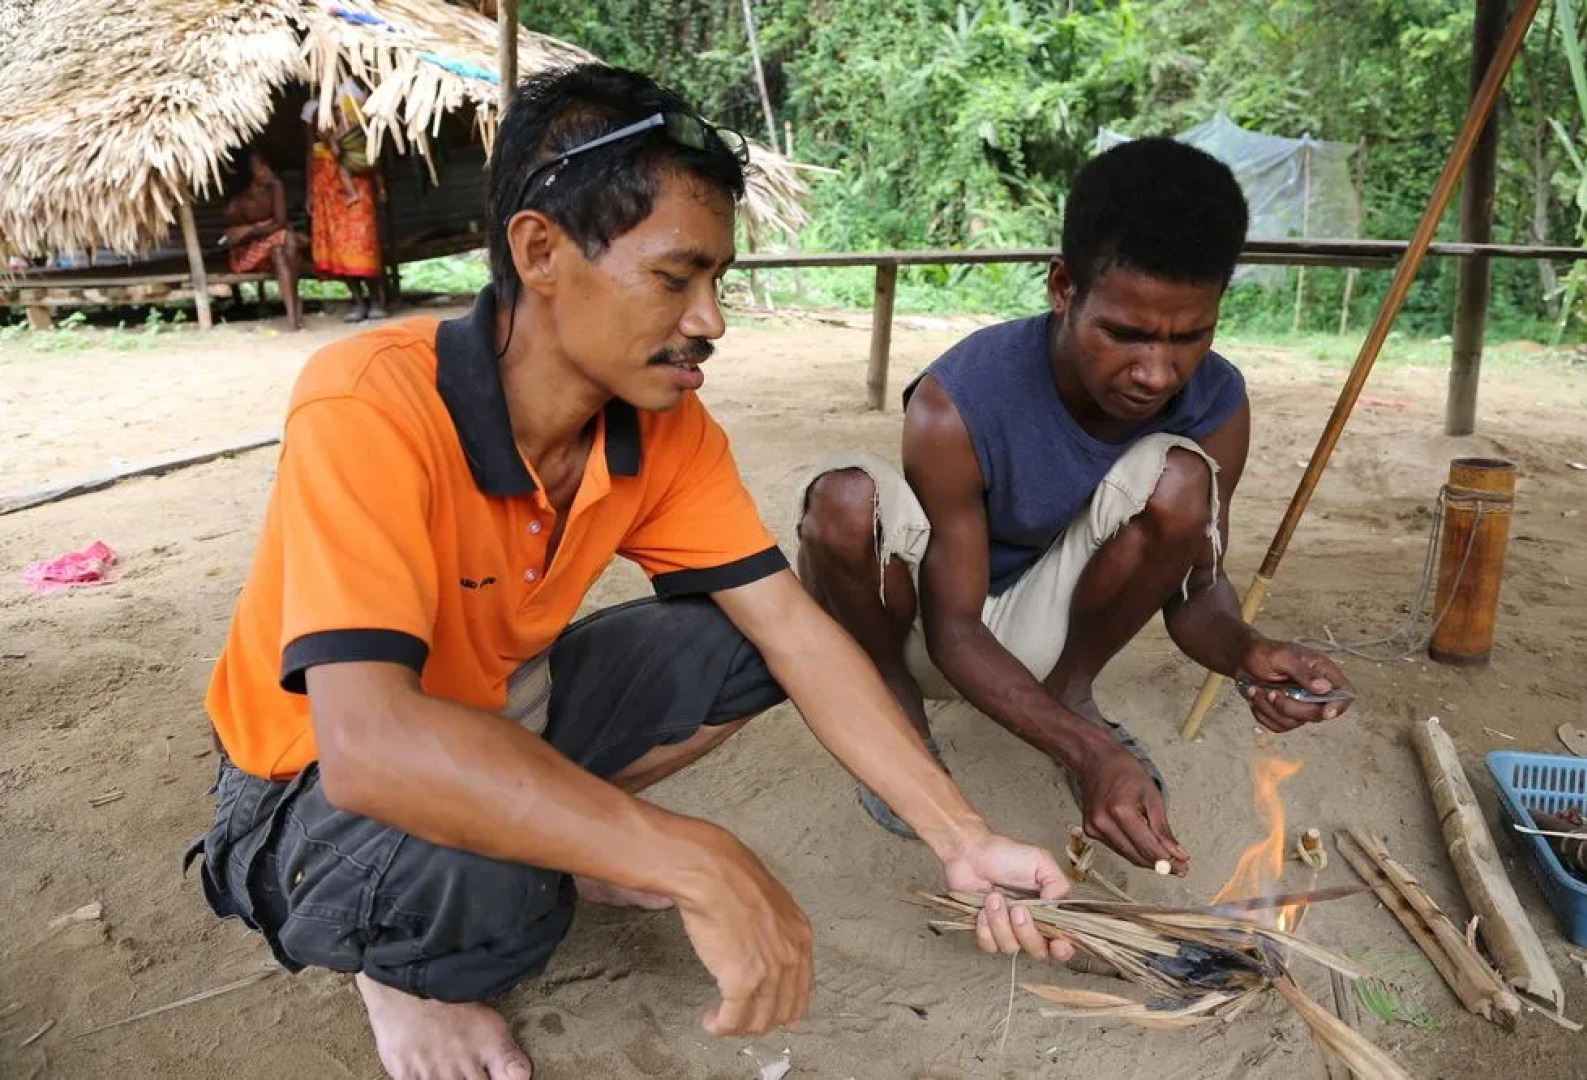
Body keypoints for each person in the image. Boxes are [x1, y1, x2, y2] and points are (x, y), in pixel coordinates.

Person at [187, 65, 1073, 1080]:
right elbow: (371, 749)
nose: (712, 321)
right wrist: (691, 856)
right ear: (539, 251)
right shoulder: (369, 400)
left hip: (494, 721)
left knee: (739, 641)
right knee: (503, 893)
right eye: (673, 277)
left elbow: (790, 632)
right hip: (302, 792)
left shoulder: (665, 430)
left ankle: (555, 835)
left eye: (718, 282)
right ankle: (403, 973)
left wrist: (961, 839)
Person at [796, 138, 1354, 873]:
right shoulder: (956, 400)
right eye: (1124, 333)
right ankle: (897, 715)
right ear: (1063, 287)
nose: (1156, 372)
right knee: (844, 501)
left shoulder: (1216, 403)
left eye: (1190, 336)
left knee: (1183, 481)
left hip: (1042, 633)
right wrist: (1092, 754)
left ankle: (1071, 693)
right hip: (927, 620)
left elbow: (1195, 593)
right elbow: (956, 631)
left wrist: (1251, 652)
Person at [303, 78, 387, 322]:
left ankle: (375, 300)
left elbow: (369, 149)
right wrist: (310, 191)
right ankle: (357, 301)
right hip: (326, 188)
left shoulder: (353, 97)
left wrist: (380, 185)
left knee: (364, 241)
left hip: (357, 183)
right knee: (337, 247)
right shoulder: (313, 110)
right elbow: (310, 151)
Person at [221, 150, 303, 331]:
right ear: (249, 173)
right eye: (260, 168)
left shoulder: (275, 187)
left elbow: (280, 222)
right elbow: (234, 237)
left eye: (266, 165)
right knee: (287, 240)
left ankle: (291, 318)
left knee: (281, 251)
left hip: (275, 248)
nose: (266, 171)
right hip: (249, 253)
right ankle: (296, 306)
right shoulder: (238, 202)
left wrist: (255, 228)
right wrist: (256, 230)